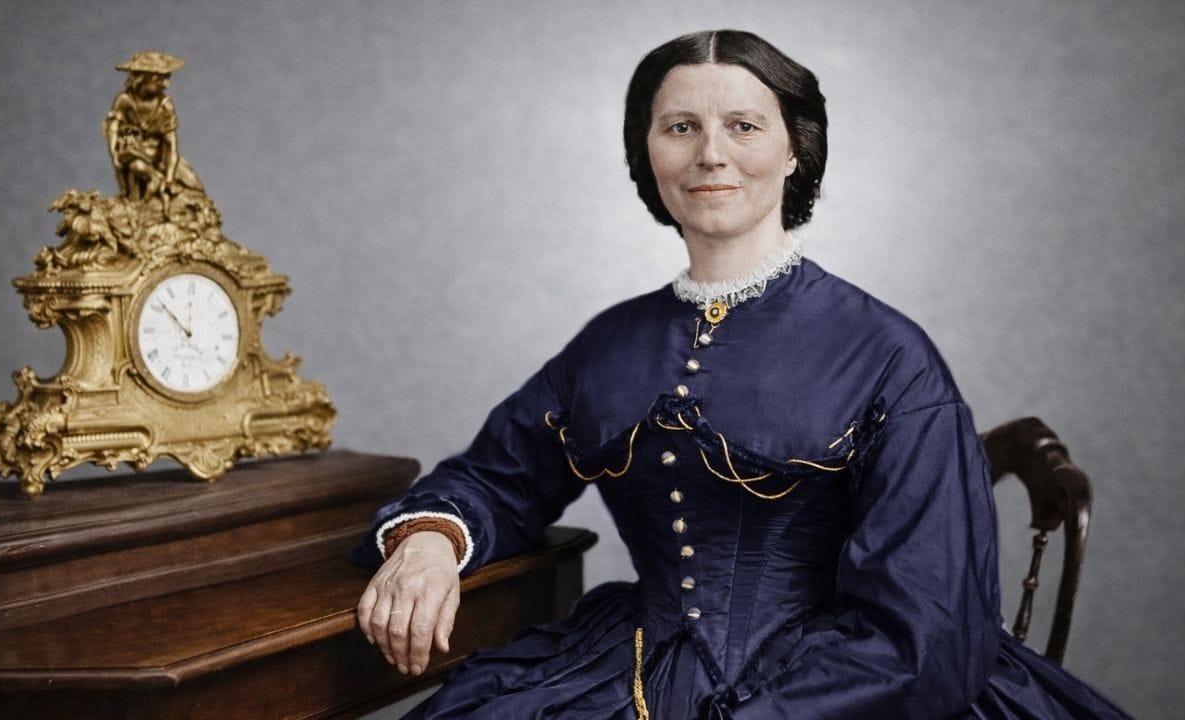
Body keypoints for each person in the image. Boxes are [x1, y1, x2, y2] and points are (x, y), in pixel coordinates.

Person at [354, 30, 1132, 719]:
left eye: (744, 126)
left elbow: (925, 624)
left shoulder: (890, 353)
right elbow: (498, 476)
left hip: (850, 692)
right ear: (647, 153)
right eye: (680, 127)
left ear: (793, 150)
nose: (711, 154)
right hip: (629, 665)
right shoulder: (609, 344)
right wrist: (428, 540)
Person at [103, 51, 204, 213]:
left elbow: (172, 147)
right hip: (134, 158)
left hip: (163, 163)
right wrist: (114, 154)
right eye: (160, 80)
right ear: (143, 80)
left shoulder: (165, 105)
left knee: (196, 190)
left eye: (167, 79)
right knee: (138, 168)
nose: (165, 85)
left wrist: (170, 179)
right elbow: (112, 129)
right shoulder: (124, 101)